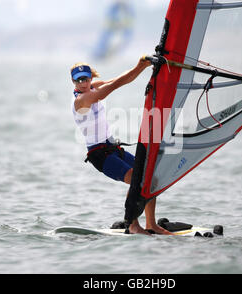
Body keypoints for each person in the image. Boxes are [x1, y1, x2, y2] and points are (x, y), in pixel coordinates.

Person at [71, 57, 172, 235]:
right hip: (99, 155)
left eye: (86, 79)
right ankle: (132, 223)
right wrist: (140, 66)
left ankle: (151, 224)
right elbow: (116, 85)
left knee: (151, 178)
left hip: (113, 149)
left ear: (90, 79)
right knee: (136, 179)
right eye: (79, 80)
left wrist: (142, 67)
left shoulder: (93, 87)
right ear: (73, 82)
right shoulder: (82, 99)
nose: (83, 83)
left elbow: (119, 79)